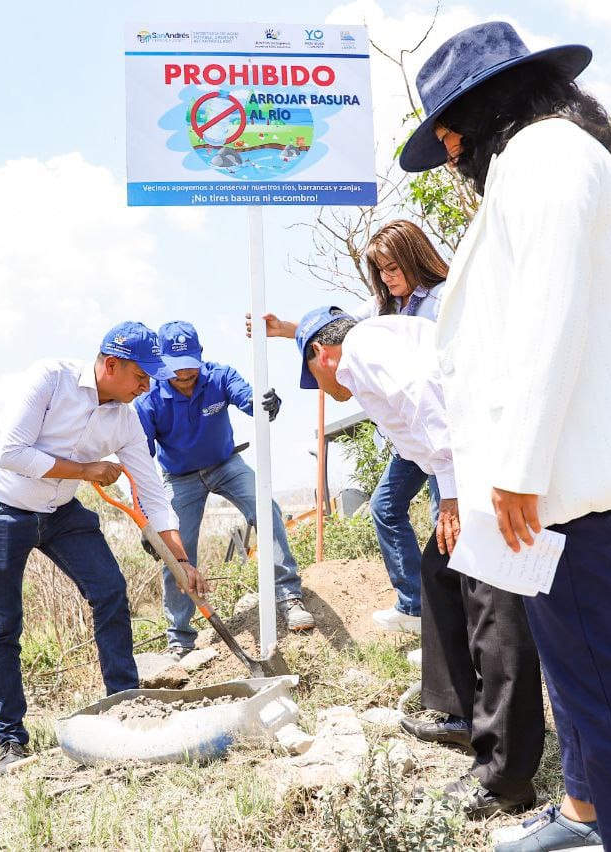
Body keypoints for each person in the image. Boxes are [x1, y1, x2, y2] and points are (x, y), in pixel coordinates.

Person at [400, 21, 611, 852]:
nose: (451, 147)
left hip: (555, 478)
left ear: (486, 104)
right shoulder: (534, 163)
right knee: (575, 668)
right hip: (542, 481)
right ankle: (589, 811)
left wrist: (520, 468)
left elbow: (550, 313)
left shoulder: (544, 156)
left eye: (449, 128)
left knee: (602, 674)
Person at [293, 306, 545, 817]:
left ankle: (506, 778)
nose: (319, 387)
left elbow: (429, 400)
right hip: (470, 467)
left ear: (321, 352)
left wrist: (450, 497)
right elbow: (414, 433)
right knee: (439, 573)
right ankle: (460, 713)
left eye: (311, 375)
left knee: (494, 612)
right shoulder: (375, 349)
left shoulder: (365, 349)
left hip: (482, 469)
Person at [0, 321, 207, 775]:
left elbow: (152, 494)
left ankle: (127, 706)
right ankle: (11, 742)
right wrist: (88, 470)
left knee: (111, 590)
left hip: (59, 512)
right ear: (110, 364)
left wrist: (181, 560)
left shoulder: (126, 419)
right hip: (1, 507)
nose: (147, 385)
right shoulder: (50, 378)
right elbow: (12, 454)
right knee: (4, 625)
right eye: (141, 376)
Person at [250, 220, 449, 635]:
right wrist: (285, 330)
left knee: (445, 516)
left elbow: (426, 389)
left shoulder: (445, 300)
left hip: (442, 427)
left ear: (416, 258)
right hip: (409, 438)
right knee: (385, 508)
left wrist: (450, 483)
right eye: (380, 271)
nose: (388, 278)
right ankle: (414, 607)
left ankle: (456, 624)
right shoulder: (382, 306)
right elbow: (333, 331)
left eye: (394, 267)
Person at [135, 322, 314, 655]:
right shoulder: (148, 398)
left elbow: (250, 399)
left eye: (190, 363)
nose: (185, 373)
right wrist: (150, 519)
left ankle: (288, 596)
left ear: (200, 355)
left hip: (226, 465)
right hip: (179, 478)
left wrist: (266, 403)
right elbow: (141, 462)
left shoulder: (219, 376)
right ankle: (180, 637)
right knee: (175, 548)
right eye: (176, 367)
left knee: (265, 507)